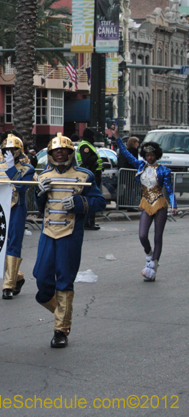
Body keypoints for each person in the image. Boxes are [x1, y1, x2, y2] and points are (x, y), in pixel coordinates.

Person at [34, 133, 106, 349]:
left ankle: (61, 330)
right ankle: (63, 314)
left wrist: (78, 202)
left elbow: (99, 202)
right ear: (50, 154)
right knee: (42, 280)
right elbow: (40, 209)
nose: (60, 153)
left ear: (71, 153)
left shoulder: (85, 176)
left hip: (70, 234)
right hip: (48, 233)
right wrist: (39, 194)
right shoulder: (43, 175)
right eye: (56, 151)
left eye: (64, 150)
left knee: (65, 281)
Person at [113, 127, 176, 281]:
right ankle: (149, 255)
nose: (149, 157)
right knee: (142, 235)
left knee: (158, 237)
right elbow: (127, 154)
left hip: (160, 203)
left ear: (156, 155)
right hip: (146, 203)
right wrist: (117, 138)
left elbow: (170, 190)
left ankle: (153, 266)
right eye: (147, 155)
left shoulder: (164, 171)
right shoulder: (140, 166)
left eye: (152, 155)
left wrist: (173, 205)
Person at [0, 135, 36, 299]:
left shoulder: (27, 169)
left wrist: (11, 168)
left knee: (14, 244)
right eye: (7, 150)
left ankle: (8, 285)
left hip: (17, 208)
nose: (10, 152)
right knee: (1, 245)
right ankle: (16, 276)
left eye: (13, 150)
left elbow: (21, 187)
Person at [76, 128, 103, 230]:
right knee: (90, 198)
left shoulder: (87, 145)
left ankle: (90, 222)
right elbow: (86, 160)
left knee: (93, 198)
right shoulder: (85, 146)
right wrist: (95, 159)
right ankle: (88, 222)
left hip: (93, 174)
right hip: (89, 175)